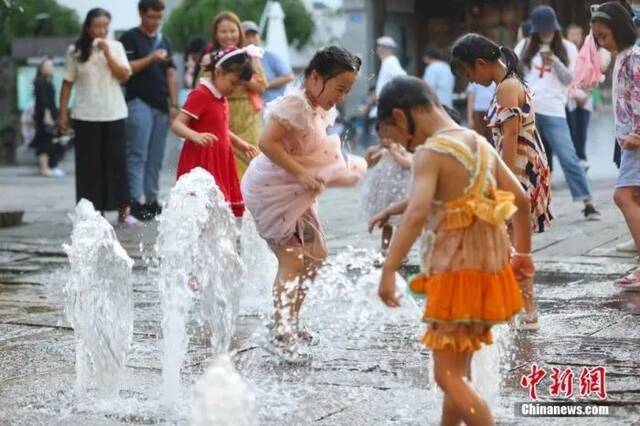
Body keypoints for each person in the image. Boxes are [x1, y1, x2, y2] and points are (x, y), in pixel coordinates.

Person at [370, 76, 530, 426]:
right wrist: (524, 256)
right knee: (459, 369)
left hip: (454, 273)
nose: (409, 148)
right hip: (488, 271)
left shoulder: (432, 151)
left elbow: (417, 214)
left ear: (401, 116)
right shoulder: (478, 143)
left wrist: (388, 271)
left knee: (447, 376)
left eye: (404, 140)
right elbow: (520, 198)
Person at [241, 46, 367, 363]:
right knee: (293, 259)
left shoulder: (315, 105)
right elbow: (266, 143)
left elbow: (315, 149)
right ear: (314, 77)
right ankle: (280, 330)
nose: (341, 96)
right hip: (272, 190)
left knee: (317, 255)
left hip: (293, 190)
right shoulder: (295, 104)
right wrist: (300, 173)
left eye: (347, 90)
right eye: (339, 88)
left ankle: (290, 322)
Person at [451, 33, 552, 330]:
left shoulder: (507, 88)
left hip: (519, 167)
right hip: (523, 164)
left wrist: (505, 184)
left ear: (481, 63)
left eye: (469, 73)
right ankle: (517, 307)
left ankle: (527, 311)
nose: (470, 81)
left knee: (513, 240)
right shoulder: (509, 82)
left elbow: (510, 137)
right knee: (509, 240)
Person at [515, 5, 601, 221]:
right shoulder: (523, 47)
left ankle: (587, 202)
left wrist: (554, 61)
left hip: (555, 109)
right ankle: (529, 208)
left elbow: (570, 80)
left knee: (568, 156)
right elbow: (514, 77)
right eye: (542, 30)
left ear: (555, 28)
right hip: (529, 110)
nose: (546, 33)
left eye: (549, 29)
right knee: (529, 161)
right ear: (534, 30)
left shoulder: (568, 48)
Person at [58, 8, 136, 226]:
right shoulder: (75, 51)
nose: (101, 30)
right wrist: (62, 112)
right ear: (88, 27)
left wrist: (108, 54)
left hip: (114, 113)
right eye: (97, 26)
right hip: (85, 114)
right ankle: (92, 212)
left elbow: (124, 76)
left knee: (116, 163)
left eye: (105, 26)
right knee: (88, 166)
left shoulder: (116, 46)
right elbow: (67, 83)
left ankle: (123, 210)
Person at [171, 47, 259, 218]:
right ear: (219, 72)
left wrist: (238, 143)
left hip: (220, 158)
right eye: (234, 83)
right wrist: (195, 136)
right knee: (200, 209)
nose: (235, 89)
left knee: (220, 211)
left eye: (240, 85)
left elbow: (219, 128)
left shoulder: (220, 96)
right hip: (201, 160)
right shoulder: (201, 95)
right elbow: (177, 125)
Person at [591, 2, 640, 287]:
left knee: (623, 196)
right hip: (627, 139)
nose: (600, 42)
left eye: (603, 36)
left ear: (619, 30)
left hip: (635, 140)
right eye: (597, 37)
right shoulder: (622, 56)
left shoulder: (633, 57)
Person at [120, 0, 179, 221]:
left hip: (161, 105)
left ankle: (152, 200)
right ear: (141, 15)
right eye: (151, 17)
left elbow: (171, 74)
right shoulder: (129, 38)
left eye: (159, 17)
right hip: (138, 102)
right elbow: (126, 69)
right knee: (137, 154)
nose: (155, 22)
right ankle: (134, 201)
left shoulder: (165, 41)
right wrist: (152, 58)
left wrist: (174, 105)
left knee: (156, 157)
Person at [198, 12, 267, 178]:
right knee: (222, 163)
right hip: (219, 113)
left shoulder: (250, 55)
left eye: (232, 31)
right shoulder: (209, 58)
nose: (228, 35)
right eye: (223, 31)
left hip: (247, 116)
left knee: (250, 160)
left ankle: (247, 201)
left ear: (239, 32)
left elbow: (262, 86)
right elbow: (203, 89)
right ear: (215, 34)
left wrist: (241, 78)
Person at [361, 136, 412, 261]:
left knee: (401, 224)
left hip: (400, 193)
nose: (385, 140)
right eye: (382, 137)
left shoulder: (403, 150)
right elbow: (366, 165)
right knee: (387, 224)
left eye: (389, 137)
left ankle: (401, 251)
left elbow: (407, 165)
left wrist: (394, 152)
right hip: (385, 194)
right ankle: (384, 249)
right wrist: (374, 152)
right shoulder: (380, 152)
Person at [241, 20, 294, 105]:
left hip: (273, 104)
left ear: (259, 37)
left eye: (254, 36)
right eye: (247, 37)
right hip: (250, 107)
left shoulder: (269, 55)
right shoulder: (239, 58)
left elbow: (289, 76)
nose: (251, 40)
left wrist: (264, 85)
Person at [32, 58, 65, 177]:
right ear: (42, 68)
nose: (51, 68)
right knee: (44, 142)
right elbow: (43, 101)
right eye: (48, 66)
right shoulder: (40, 82)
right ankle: (44, 168)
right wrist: (47, 116)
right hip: (44, 117)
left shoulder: (48, 81)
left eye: (52, 66)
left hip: (51, 115)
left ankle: (52, 165)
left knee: (56, 141)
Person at [370, 36, 406, 120]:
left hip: (388, 101)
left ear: (386, 49)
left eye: (381, 47)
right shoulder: (386, 61)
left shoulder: (391, 61)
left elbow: (400, 78)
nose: (378, 50)